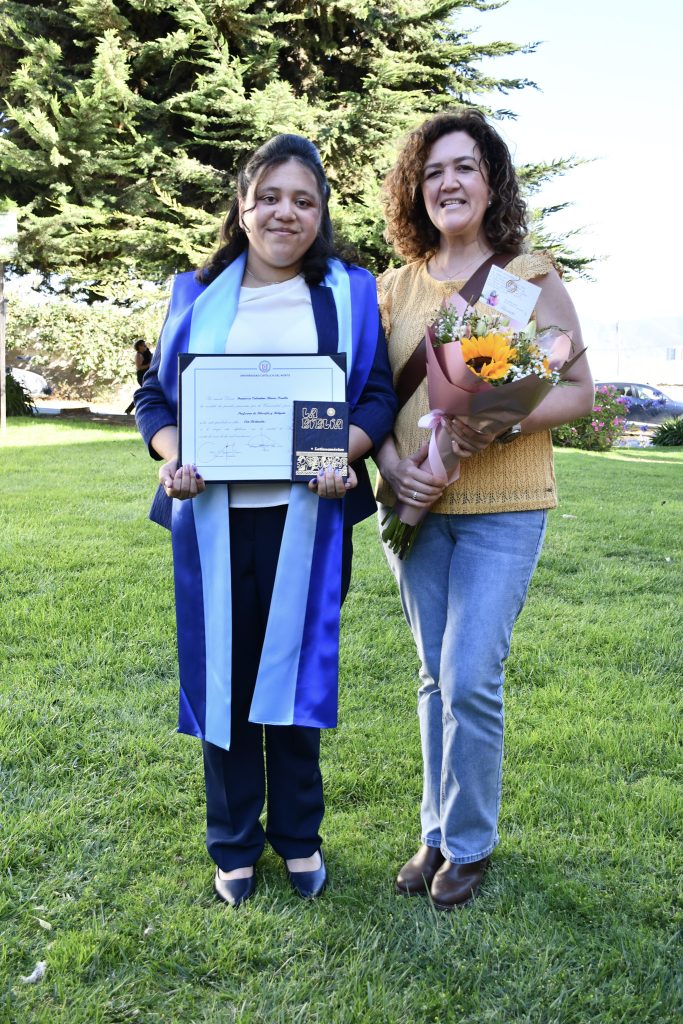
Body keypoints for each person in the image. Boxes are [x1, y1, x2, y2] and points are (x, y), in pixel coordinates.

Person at [134, 134, 397, 907]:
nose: (286, 212)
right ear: (242, 207)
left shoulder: (348, 292)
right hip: (214, 517)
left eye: (303, 200)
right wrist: (174, 454)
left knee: (292, 674)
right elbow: (153, 397)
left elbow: (373, 397)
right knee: (223, 681)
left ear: (321, 213)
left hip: (304, 516)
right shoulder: (196, 294)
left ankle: (299, 836)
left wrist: (341, 454)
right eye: (270, 197)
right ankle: (233, 842)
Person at [374, 109, 594, 909]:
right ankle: (434, 833)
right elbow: (370, 399)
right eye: (432, 172)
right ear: (415, 190)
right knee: (432, 675)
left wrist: (494, 421)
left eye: (463, 167)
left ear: (490, 181)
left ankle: (468, 843)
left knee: (468, 676)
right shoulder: (392, 287)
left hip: (504, 507)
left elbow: (576, 390)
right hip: (414, 509)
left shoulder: (526, 277)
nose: (448, 183)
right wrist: (394, 469)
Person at [125, 340, 153, 414]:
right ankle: (130, 409)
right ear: (139, 346)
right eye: (143, 345)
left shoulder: (146, 353)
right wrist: (149, 365)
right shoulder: (138, 355)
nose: (145, 346)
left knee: (146, 392)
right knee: (145, 392)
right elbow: (139, 367)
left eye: (145, 345)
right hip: (142, 376)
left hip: (147, 375)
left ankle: (129, 409)